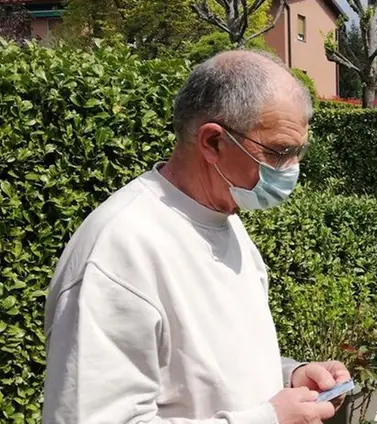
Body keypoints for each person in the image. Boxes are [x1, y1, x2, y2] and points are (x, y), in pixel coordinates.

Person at [43, 50, 349, 424]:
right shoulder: (118, 250)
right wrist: (266, 420)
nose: (291, 170)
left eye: (297, 152)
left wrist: (290, 375)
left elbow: (206, 370)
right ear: (212, 142)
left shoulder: (225, 218)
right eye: (280, 152)